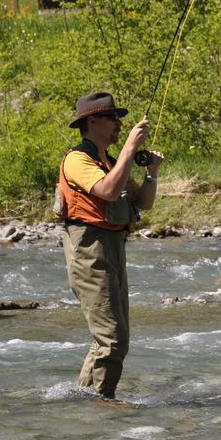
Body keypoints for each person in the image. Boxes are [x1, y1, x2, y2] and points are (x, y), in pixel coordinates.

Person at [58, 91, 164, 400]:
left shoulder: (109, 161)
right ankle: (100, 405)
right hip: (89, 249)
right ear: (92, 121)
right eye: (112, 117)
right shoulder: (77, 159)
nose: (119, 123)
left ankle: (86, 400)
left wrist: (151, 174)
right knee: (112, 340)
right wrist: (131, 147)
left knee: (114, 339)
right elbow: (106, 190)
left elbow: (143, 203)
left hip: (112, 246)